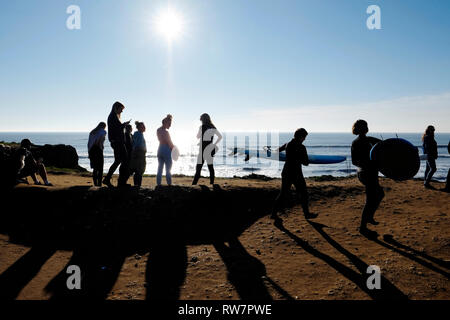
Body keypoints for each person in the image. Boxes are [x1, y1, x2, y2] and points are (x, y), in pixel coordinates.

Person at [271, 128, 317, 221]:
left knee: (283, 193)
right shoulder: (301, 147)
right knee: (303, 193)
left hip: (286, 172)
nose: (304, 139)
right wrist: (307, 159)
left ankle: (273, 214)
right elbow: (306, 162)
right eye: (304, 137)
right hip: (296, 174)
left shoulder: (287, 144)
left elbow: (276, 151)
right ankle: (307, 214)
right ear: (300, 137)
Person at [351, 120, 383, 237]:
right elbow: (354, 161)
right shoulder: (356, 142)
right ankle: (363, 228)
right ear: (359, 128)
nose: (366, 128)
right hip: (365, 173)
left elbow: (385, 144)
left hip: (372, 172)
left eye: (366, 126)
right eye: (364, 126)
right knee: (371, 199)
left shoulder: (370, 139)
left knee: (379, 195)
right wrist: (368, 164)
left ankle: (369, 217)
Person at [103, 101, 131, 188]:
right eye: (121, 109)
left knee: (118, 161)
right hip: (117, 142)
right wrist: (124, 125)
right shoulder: (113, 116)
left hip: (117, 142)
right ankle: (121, 182)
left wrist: (123, 125)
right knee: (125, 161)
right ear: (116, 108)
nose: (122, 111)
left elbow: (116, 128)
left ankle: (108, 179)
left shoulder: (113, 116)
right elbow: (116, 129)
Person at [192, 113, 222, 185]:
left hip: (202, 149)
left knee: (198, 167)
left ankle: (194, 184)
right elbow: (220, 136)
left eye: (201, 119)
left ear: (203, 119)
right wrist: (214, 144)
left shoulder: (202, 126)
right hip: (210, 149)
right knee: (210, 167)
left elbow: (198, 136)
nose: (200, 120)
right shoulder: (213, 127)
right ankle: (212, 183)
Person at [156, 115, 174, 186]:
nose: (170, 126)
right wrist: (173, 149)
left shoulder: (158, 130)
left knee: (160, 167)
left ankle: (158, 183)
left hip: (160, 149)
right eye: (169, 124)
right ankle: (169, 183)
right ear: (165, 123)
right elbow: (169, 142)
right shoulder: (166, 132)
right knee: (168, 168)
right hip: (166, 149)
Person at [88, 122, 107, 187]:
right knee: (100, 168)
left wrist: (89, 153)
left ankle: (95, 184)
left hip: (91, 151)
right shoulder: (103, 132)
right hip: (98, 150)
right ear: (104, 126)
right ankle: (99, 184)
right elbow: (100, 141)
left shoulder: (92, 132)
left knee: (95, 168)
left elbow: (89, 143)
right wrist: (101, 147)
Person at [130, 121, 147, 187]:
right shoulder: (138, 134)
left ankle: (137, 185)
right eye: (143, 127)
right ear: (139, 128)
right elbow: (137, 145)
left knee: (139, 170)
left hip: (140, 153)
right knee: (139, 170)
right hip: (139, 153)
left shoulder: (139, 134)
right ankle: (137, 186)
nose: (145, 128)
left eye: (144, 126)